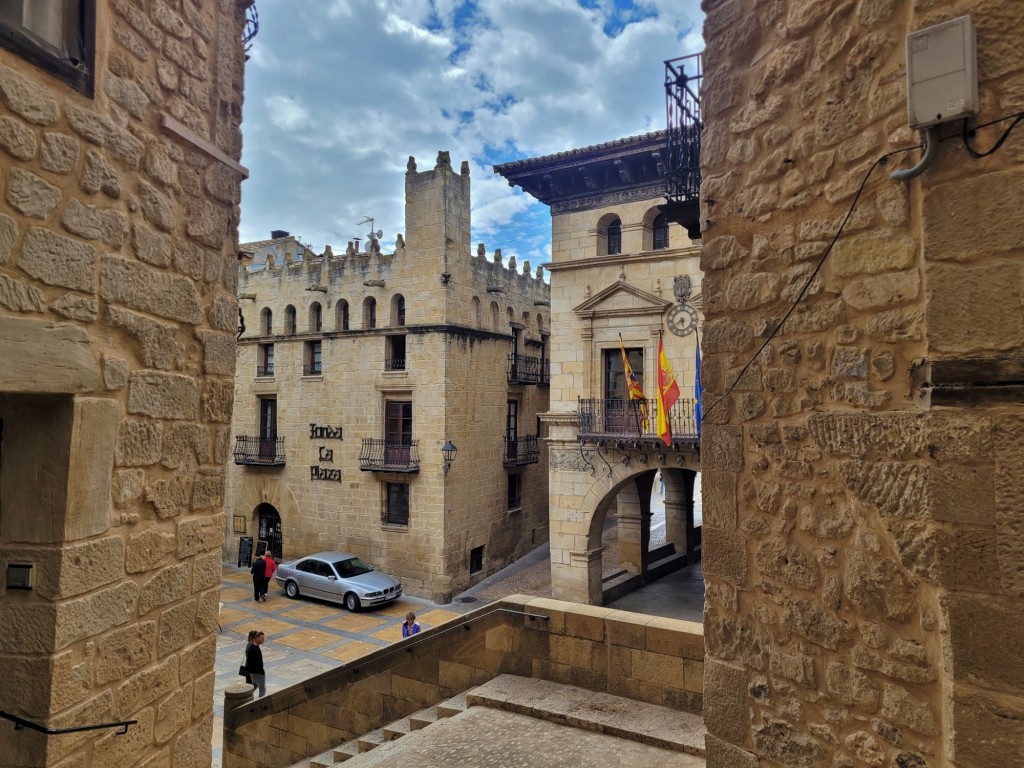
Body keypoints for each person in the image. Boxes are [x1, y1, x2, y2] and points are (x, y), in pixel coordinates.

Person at [245, 630, 267, 697]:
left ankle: (246, 696)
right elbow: (258, 662)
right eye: (262, 638)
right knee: (262, 690)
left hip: (252, 672)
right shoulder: (255, 649)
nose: (263, 640)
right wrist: (261, 672)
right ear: (256, 638)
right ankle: (261, 702)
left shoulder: (250, 646)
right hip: (257, 672)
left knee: (254, 685)